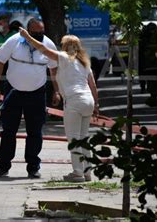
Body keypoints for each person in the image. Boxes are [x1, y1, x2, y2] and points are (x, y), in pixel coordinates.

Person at [19, 29, 99, 182]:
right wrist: (96, 105)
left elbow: (43, 49)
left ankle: (77, 173)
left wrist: (28, 37)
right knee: (83, 138)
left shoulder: (63, 57)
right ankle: (88, 172)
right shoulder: (84, 63)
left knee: (74, 139)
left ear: (65, 46)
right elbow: (93, 86)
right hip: (88, 100)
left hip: (74, 101)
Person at [0, 18, 61, 178]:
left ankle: (33, 166)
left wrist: (56, 91)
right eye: (36, 32)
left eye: (42, 32)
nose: (40, 35)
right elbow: (0, 61)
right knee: (8, 131)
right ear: (28, 31)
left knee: (35, 131)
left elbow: (53, 68)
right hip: (13, 92)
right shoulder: (14, 41)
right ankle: (3, 166)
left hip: (37, 93)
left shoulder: (47, 44)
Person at [0, 14, 17, 125]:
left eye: (1, 23)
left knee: (13, 93)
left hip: (13, 69)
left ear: (7, 23)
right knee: (0, 93)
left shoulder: (15, 36)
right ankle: (3, 116)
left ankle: (13, 117)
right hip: (0, 70)